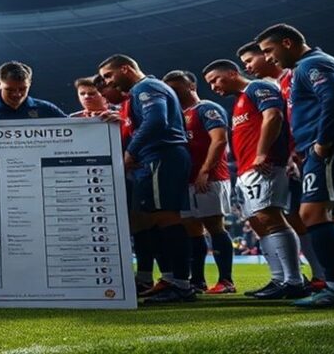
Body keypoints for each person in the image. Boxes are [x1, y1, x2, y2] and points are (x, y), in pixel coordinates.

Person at [256, 23, 334, 307]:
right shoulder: (324, 62)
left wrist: (322, 143)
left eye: (269, 50)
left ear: (287, 42)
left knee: (311, 214)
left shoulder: (311, 64)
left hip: (333, 147)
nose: (268, 57)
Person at [203, 59, 306, 299]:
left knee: (270, 217)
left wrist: (261, 154)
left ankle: (294, 280)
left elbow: (273, 116)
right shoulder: (239, 101)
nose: (214, 87)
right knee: (259, 223)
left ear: (231, 73)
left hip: (265, 165)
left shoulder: (258, 87)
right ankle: (279, 279)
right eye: (209, 83)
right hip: (247, 170)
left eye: (215, 79)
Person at [98, 54, 193, 303]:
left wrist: (131, 151)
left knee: (166, 217)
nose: (108, 81)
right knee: (154, 219)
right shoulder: (139, 93)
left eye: (109, 75)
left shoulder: (146, 87)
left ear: (126, 69)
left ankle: (182, 284)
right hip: (157, 157)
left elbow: (156, 120)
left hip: (162, 156)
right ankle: (171, 278)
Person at [237, 42, 326, 291]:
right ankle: (315, 277)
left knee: (313, 216)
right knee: (293, 217)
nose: (248, 66)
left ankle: (327, 278)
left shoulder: (292, 78)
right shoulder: (281, 84)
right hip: (294, 158)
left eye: (251, 59)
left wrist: (285, 152)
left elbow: (290, 119)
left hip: (309, 153)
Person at [162, 70, 235, 294]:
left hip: (210, 177)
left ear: (191, 86)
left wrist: (205, 170)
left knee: (214, 226)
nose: (172, 93)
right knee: (192, 229)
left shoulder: (206, 109)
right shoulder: (175, 115)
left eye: (176, 88)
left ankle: (226, 281)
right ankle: (198, 281)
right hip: (186, 179)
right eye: (169, 90)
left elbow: (220, 139)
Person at [0, 61, 67, 120]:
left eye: (22, 89)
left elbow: (73, 131)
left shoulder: (47, 110)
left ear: (29, 84)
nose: (17, 94)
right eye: (10, 90)